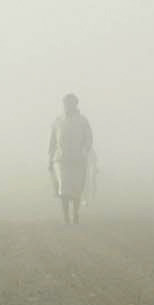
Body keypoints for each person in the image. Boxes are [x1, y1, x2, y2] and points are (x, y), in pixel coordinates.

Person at [47, 93, 96, 224]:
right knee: (63, 188)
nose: (67, 106)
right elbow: (52, 142)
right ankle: (66, 216)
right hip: (61, 159)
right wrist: (50, 159)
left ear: (75, 104)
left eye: (70, 103)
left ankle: (75, 213)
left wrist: (84, 151)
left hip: (78, 159)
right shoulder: (57, 121)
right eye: (65, 103)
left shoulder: (82, 121)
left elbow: (88, 138)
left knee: (76, 189)